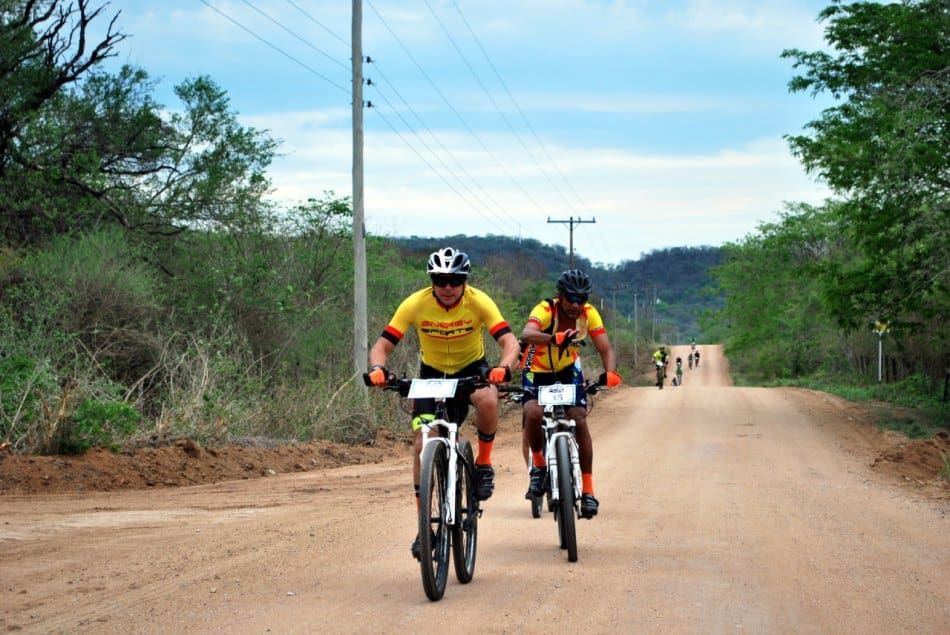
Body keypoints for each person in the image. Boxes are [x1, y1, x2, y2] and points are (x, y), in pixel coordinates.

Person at [366, 247, 520, 560]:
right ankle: (425, 528)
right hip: (432, 375)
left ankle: (484, 464)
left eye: (454, 280)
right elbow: (382, 346)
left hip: (471, 370)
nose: (447, 287)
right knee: (422, 444)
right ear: (432, 281)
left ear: (465, 281)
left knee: (489, 399)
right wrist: (378, 369)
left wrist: (504, 367)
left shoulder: (479, 301)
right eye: (440, 280)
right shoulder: (415, 303)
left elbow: (510, 342)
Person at [519, 269, 622, 519]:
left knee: (578, 417)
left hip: (567, 368)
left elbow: (605, 349)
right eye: (571, 298)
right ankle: (538, 467)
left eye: (581, 299)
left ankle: (588, 491)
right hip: (536, 367)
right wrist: (553, 339)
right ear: (560, 296)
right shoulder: (546, 309)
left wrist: (610, 373)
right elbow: (527, 334)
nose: (576, 305)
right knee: (532, 413)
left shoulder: (589, 314)